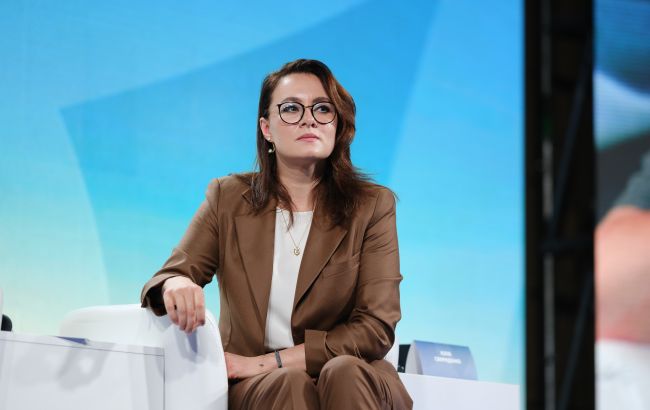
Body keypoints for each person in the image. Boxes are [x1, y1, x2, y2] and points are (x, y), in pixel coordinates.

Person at [140, 59, 413, 409]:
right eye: (291, 109)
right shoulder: (228, 197)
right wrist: (176, 283)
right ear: (267, 128)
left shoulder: (372, 206)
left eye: (323, 109)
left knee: (343, 371)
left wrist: (266, 362)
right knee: (288, 383)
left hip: (351, 377)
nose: (309, 119)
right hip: (262, 389)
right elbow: (169, 275)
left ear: (337, 125)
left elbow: (375, 328)